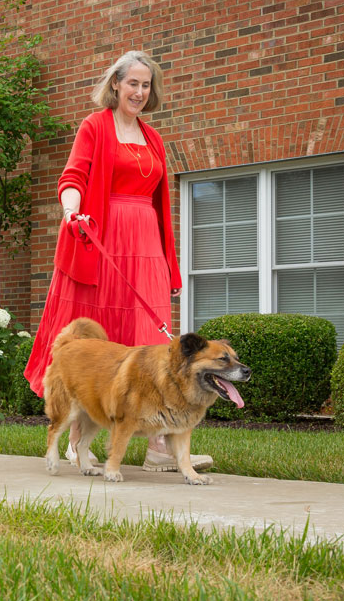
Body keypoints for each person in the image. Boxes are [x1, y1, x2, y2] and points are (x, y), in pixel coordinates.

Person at [24, 51, 213, 473]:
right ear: (115, 84)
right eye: (133, 84)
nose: (140, 93)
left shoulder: (154, 137)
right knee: (101, 340)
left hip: (145, 242)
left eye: (146, 86)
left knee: (150, 338)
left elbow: (162, 205)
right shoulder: (94, 127)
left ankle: (159, 447)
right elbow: (72, 177)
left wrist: (170, 264)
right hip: (102, 240)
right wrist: (73, 212)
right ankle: (79, 439)